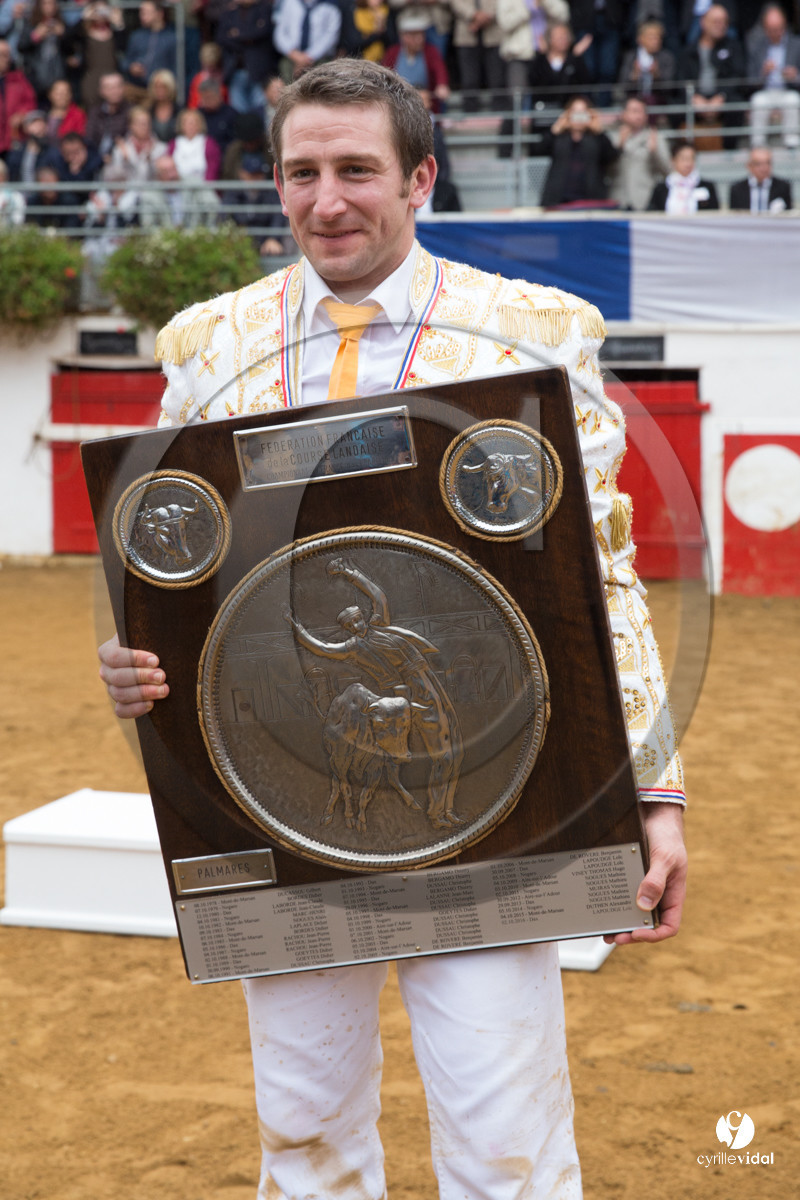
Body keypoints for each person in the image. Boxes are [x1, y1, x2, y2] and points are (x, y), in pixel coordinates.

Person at [98, 58, 688, 1200]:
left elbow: (600, 574)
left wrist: (653, 790)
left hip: (495, 776)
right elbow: (171, 562)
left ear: (419, 178)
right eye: (302, 173)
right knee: (302, 1125)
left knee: (502, 1130)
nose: (327, 202)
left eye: (356, 170)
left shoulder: (530, 331)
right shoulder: (208, 344)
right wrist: (134, 653)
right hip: (276, 781)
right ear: (275, 180)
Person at [677, 4, 745, 149]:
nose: (721, 25)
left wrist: (721, 96)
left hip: (722, 98)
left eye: (724, 22)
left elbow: (738, 76)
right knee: (674, 106)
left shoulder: (733, 47)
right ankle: (684, 151)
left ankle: (729, 151)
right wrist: (694, 97)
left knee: (737, 104)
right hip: (696, 98)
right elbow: (681, 78)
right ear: (703, 22)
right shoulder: (689, 49)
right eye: (716, 21)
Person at [538, 93, 619, 207]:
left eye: (582, 113)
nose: (578, 117)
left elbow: (611, 156)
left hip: (590, 200)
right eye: (575, 112)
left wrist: (599, 132)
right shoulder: (559, 137)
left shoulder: (596, 138)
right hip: (558, 199)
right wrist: (555, 129)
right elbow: (538, 149)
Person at [746, 4, 800, 149]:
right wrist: (763, 73)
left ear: (785, 26)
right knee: (758, 101)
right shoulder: (757, 47)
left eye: (779, 28)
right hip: (766, 91)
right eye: (771, 29)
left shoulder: (796, 45)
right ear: (765, 29)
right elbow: (749, 81)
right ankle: (758, 144)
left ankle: (792, 144)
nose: (776, 33)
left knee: (793, 100)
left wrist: (795, 76)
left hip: (788, 91)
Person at [608, 94, 671, 210]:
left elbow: (667, 171)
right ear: (623, 114)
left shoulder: (656, 137)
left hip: (646, 200)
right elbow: (606, 171)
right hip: (618, 200)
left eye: (641, 111)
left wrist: (654, 153)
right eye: (633, 111)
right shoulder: (612, 138)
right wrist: (618, 147)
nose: (638, 115)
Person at [382, 9, 450, 110]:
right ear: (404, 36)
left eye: (421, 35)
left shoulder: (430, 51)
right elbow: (384, 75)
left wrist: (442, 85)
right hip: (400, 106)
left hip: (425, 106)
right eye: (414, 35)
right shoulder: (393, 52)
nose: (419, 39)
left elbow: (439, 69)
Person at [647, 137, 720, 210]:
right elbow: (652, 211)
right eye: (684, 159)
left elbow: (714, 211)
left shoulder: (706, 186)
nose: (688, 163)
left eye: (691, 158)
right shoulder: (661, 188)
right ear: (673, 161)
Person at [0, 37, 36, 155]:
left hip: (13, 140)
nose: (6, 59)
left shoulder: (18, 79)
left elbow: (30, 102)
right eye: (2, 55)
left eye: (7, 55)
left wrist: (22, 114)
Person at [728, 145, 793, 210]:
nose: (764, 168)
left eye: (767, 163)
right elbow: (734, 214)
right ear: (749, 166)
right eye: (758, 164)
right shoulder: (737, 189)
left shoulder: (783, 187)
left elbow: (788, 213)